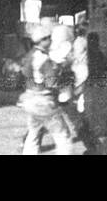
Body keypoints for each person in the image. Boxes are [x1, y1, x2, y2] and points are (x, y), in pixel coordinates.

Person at [21, 23, 74, 155]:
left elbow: (24, 73)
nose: (51, 40)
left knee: (33, 135)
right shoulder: (45, 59)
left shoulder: (29, 55)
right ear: (42, 41)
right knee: (63, 135)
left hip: (30, 100)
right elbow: (51, 83)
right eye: (48, 38)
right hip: (44, 102)